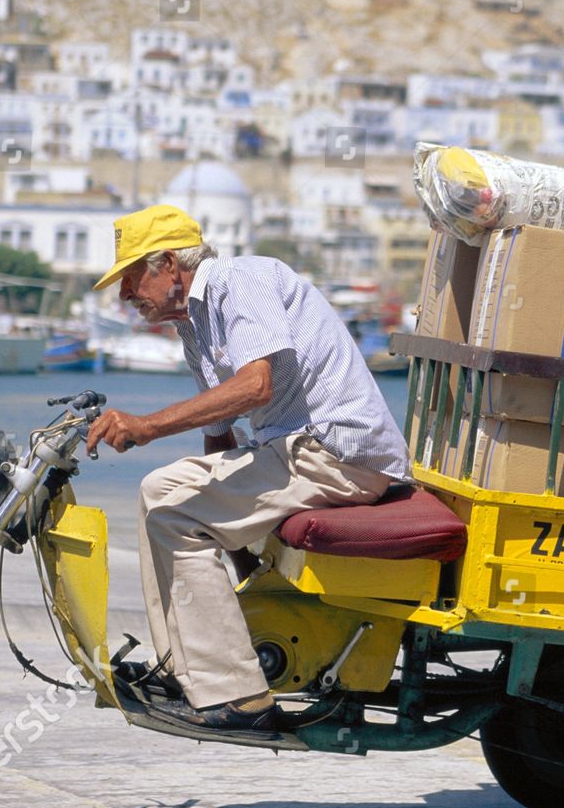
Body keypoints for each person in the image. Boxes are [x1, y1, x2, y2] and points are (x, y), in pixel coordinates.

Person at [87, 204, 410, 734]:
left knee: (171, 513)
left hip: (337, 454)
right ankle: (188, 672)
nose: (124, 295)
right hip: (295, 452)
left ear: (168, 263)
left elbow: (255, 386)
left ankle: (238, 695)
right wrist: (233, 546)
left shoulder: (244, 280)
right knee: (159, 490)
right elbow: (221, 429)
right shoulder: (192, 321)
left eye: (129, 277)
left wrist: (146, 426)